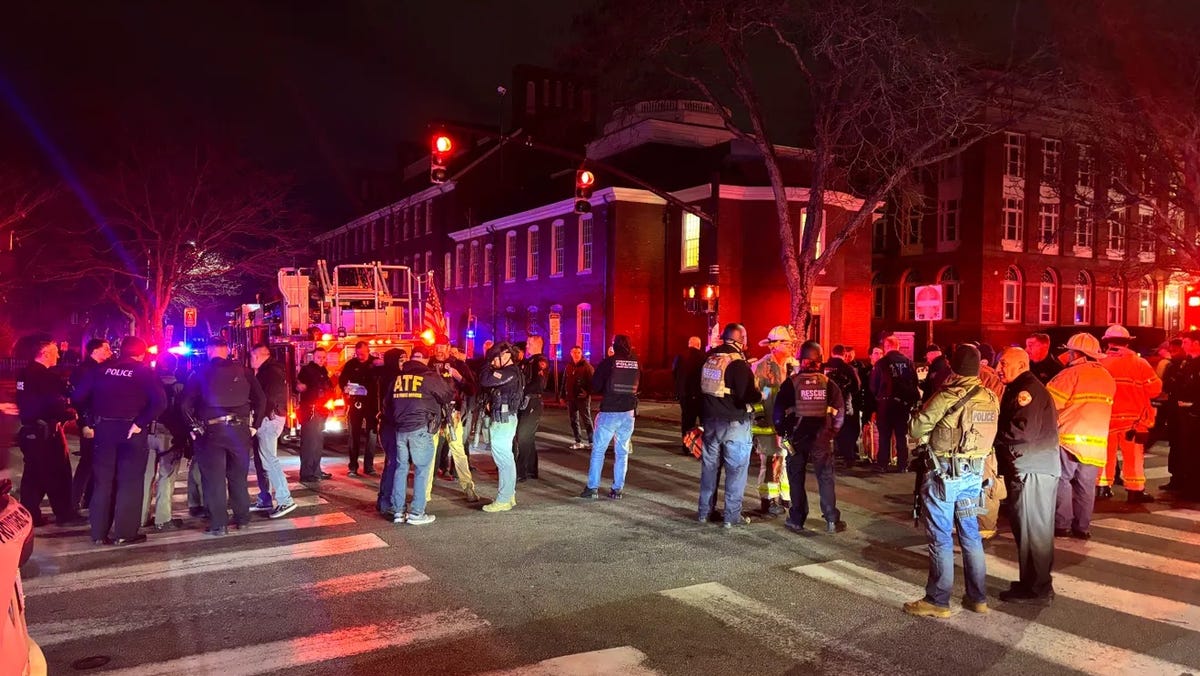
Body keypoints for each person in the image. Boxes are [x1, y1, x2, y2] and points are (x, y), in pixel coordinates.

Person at [903, 344, 999, 618]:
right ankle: (977, 598)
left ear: (953, 366)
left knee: (941, 536)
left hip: (945, 474)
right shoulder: (990, 397)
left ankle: (938, 600)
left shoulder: (948, 395)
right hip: (974, 476)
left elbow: (917, 428)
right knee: (971, 535)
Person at [71, 336, 167, 545]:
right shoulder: (143, 371)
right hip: (131, 431)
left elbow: (77, 397)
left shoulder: (101, 369)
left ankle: (98, 534)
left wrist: (88, 420)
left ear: (120, 351)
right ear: (141, 353)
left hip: (103, 429)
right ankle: (124, 533)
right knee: (130, 483)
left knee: (102, 482)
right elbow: (160, 402)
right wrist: (140, 423)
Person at [993, 347, 1060, 605]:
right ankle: (1032, 582)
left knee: (1034, 531)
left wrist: (992, 438)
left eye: (1004, 363)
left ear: (1022, 364)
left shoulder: (1027, 391)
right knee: (1028, 530)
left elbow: (1023, 430)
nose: (999, 368)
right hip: (1030, 467)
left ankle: (1038, 589)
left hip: (1033, 469)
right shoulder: (1020, 387)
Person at [180, 338, 267, 536]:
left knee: (214, 479)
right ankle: (243, 519)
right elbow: (261, 399)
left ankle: (220, 524)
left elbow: (185, 405)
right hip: (240, 431)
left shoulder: (201, 372)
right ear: (226, 351)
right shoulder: (244, 371)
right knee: (238, 477)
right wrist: (255, 425)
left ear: (209, 351)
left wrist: (193, 428)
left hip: (212, 432)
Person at [1047, 333, 1116, 539]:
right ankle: (1082, 528)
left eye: (1069, 352)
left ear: (1075, 353)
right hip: (1096, 442)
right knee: (1086, 486)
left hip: (1069, 439)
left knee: (1063, 480)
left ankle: (1062, 524)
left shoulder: (1070, 374)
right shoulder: (1107, 377)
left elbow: (1049, 404)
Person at [774, 340, 846, 534]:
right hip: (821, 438)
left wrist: (781, 433)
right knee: (825, 477)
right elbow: (840, 412)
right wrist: (832, 432)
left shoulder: (791, 383)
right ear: (819, 359)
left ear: (801, 360)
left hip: (794, 439)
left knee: (796, 478)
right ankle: (831, 520)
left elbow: (778, 411)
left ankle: (797, 518)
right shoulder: (829, 384)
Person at [697, 323, 763, 529]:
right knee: (736, 470)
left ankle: (704, 512)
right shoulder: (738, 364)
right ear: (741, 340)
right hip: (734, 424)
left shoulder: (708, 359)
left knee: (710, 468)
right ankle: (731, 516)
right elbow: (747, 395)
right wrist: (759, 394)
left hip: (710, 422)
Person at [16, 335, 86, 527]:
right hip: (47, 433)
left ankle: (30, 514)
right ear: (45, 353)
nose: (58, 354)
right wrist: (69, 413)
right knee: (59, 474)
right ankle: (64, 514)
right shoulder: (47, 377)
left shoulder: (24, 373)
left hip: (29, 432)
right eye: (55, 351)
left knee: (33, 475)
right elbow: (55, 405)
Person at [381, 344, 454, 525]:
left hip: (400, 429)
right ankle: (417, 513)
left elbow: (386, 405)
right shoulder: (429, 377)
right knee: (421, 471)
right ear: (426, 359)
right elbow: (448, 394)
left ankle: (398, 511)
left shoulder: (397, 379)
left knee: (401, 469)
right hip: (421, 428)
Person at [1096, 325, 1161, 503]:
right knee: (1133, 457)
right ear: (1128, 342)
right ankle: (1135, 491)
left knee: (1105, 456)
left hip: (1106, 419)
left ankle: (1103, 488)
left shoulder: (1100, 363)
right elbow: (1155, 389)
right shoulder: (1139, 364)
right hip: (1133, 421)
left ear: (1107, 341)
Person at [580, 335, 640, 500]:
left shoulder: (609, 362)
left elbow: (596, 385)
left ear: (614, 346)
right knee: (622, 452)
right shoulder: (636, 362)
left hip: (610, 411)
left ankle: (592, 488)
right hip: (628, 412)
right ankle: (617, 489)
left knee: (599, 451)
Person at [140, 353, 192, 531]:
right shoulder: (181, 386)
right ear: (175, 366)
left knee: (146, 477)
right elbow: (185, 411)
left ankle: (141, 517)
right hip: (170, 435)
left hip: (147, 433)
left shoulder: (147, 384)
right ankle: (163, 518)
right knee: (166, 476)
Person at [428, 335, 479, 502]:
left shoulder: (459, 365)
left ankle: (468, 487)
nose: (439, 351)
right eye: (436, 348)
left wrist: (459, 377)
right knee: (430, 452)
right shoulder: (428, 364)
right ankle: (425, 491)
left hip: (452, 414)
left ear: (448, 347)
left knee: (458, 451)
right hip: (432, 414)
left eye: (442, 347)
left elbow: (472, 389)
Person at [751, 326, 796, 515]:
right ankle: (768, 500)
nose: (790, 346)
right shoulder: (761, 367)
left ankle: (786, 498)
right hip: (767, 424)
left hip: (787, 425)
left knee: (786, 460)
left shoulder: (794, 365)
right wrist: (759, 415)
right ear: (774, 345)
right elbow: (755, 395)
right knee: (769, 461)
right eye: (785, 343)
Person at [249, 344, 297, 518]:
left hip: (269, 419)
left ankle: (285, 500)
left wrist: (256, 421)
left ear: (259, 356)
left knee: (269, 460)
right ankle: (265, 498)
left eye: (252, 357)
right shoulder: (270, 370)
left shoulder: (270, 372)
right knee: (262, 461)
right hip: (269, 418)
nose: (250, 360)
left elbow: (267, 399)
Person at [479, 342, 525, 512]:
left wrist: (486, 363)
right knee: (507, 459)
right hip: (506, 418)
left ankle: (504, 499)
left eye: (495, 358)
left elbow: (485, 380)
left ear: (506, 355)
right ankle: (509, 495)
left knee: (503, 460)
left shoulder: (508, 372)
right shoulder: (513, 372)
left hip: (503, 420)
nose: (493, 362)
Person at [69, 338, 111, 513]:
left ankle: (88, 499)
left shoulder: (98, 369)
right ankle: (73, 502)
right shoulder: (86, 371)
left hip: (98, 421)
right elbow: (80, 401)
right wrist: (86, 424)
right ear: (95, 351)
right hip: (91, 423)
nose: (109, 351)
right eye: (106, 348)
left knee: (95, 463)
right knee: (87, 462)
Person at [870, 334, 920, 472]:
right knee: (901, 435)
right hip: (902, 405)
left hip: (885, 404)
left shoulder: (881, 363)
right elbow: (914, 382)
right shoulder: (908, 362)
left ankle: (883, 464)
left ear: (886, 347)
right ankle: (902, 464)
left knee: (884, 436)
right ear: (898, 346)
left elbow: (874, 386)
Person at [1164, 331, 1200, 498]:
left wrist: (1193, 406)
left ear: (1196, 343)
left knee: (1194, 451)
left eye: (1186, 342)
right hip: (1181, 412)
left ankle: (1193, 486)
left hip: (1194, 413)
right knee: (1182, 448)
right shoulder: (1187, 362)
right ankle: (1182, 481)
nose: (1183, 345)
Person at [339, 341, 379, 477]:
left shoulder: (376, 364)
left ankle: (369, 466)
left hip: (372, 404)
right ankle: (353, 467)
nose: (360, 356)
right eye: (358, 354)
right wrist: (345, 387)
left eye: (362, 354)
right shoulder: (351, 364)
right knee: (353, 435)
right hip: (356, 403)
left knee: (372, 435)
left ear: (369, 351)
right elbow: (342, 379)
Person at [375, 348, 407, 517]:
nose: (404, 363)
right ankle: (386, 501)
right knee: (394, 464)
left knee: (393, 463)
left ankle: (385, 499)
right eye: (401, 360)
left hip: (390, 424)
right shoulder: (391, 378)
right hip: (390, 426)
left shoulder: (388, 376)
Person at [296, 347, 334, 483]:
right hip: (310, 411)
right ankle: (306, 473)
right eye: (319, 357)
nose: (321, 360)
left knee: (318, 442)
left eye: (324, 357)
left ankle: (316, 470)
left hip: (321, 410)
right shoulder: (307, 370)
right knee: (309, 442)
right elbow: (298, 385)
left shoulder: (323, 371)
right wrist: (301, 387)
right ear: (313, 357)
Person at [515, 336, 549, 481]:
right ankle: (531, 470)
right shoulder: (528, 361)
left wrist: (522, 390)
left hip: (533, 402)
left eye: (529, 343)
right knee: (527, 436)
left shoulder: (539, 361)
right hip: (526, 402)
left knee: (523, 436)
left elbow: (539, 384)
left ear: (536, 344)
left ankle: (521, 472)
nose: (527, 345)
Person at [824, 344, 862, 468]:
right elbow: (856, 387)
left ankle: (826, 457)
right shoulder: (848, 368)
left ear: (831, 353)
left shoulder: (823, 367)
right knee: (846, 431)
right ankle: (848, 458)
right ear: (844, 354)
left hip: (826, 405)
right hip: (842, 404)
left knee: (826, 430)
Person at [672, 336, 706, 454]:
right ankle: (701, 447)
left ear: (689, 344)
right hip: (700, 394)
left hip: (685, 395)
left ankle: (686, 447)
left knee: (687, 422)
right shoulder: (704, 357)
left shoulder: (680, 356)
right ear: (699, 345)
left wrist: (679, 390)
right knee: (703, 422)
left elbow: (674, 373)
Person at [561, 346, 595, 450]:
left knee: (586, 420)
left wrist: (588, 393)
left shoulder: (587, 367)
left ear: (581, 354)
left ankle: (592, 442)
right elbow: (564, 382)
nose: (576, 354)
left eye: (578, 352)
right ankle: (578, 441)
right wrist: (562, 396)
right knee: (573, 420)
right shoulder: (569, 366)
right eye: (574, 352)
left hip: (582, 399)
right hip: (571, 398)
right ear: (571, 353)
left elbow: (593, 383)